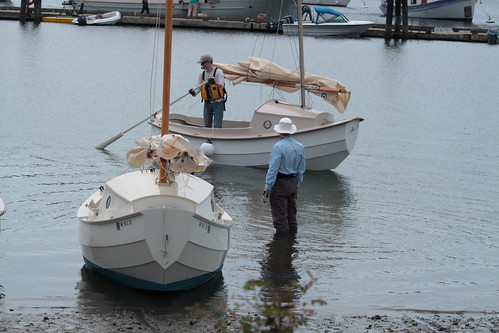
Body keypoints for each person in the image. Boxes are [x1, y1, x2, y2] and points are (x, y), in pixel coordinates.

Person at [263, 118, 306, 236]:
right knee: (292, 215)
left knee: (280, 217)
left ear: (279, 131)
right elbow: (301, 169)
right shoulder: (300, 146)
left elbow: (273, 169)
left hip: (280, 183)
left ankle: (280, 246)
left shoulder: (278, 147)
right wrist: (297, 184)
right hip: (292, 182)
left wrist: (267, 187)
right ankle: (292, 243)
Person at [188, 54, 226, 128]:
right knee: (206, 124)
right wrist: (193, 92)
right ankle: (207, 137)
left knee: (217, 124)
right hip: (207, 103)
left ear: (208, 62)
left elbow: (222, 85)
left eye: (202, 63)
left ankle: (217, 136)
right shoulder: (202, 75)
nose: (201, 65)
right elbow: (199, 88)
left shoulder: (218, 72)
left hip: (218, 102)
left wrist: (215, 83)